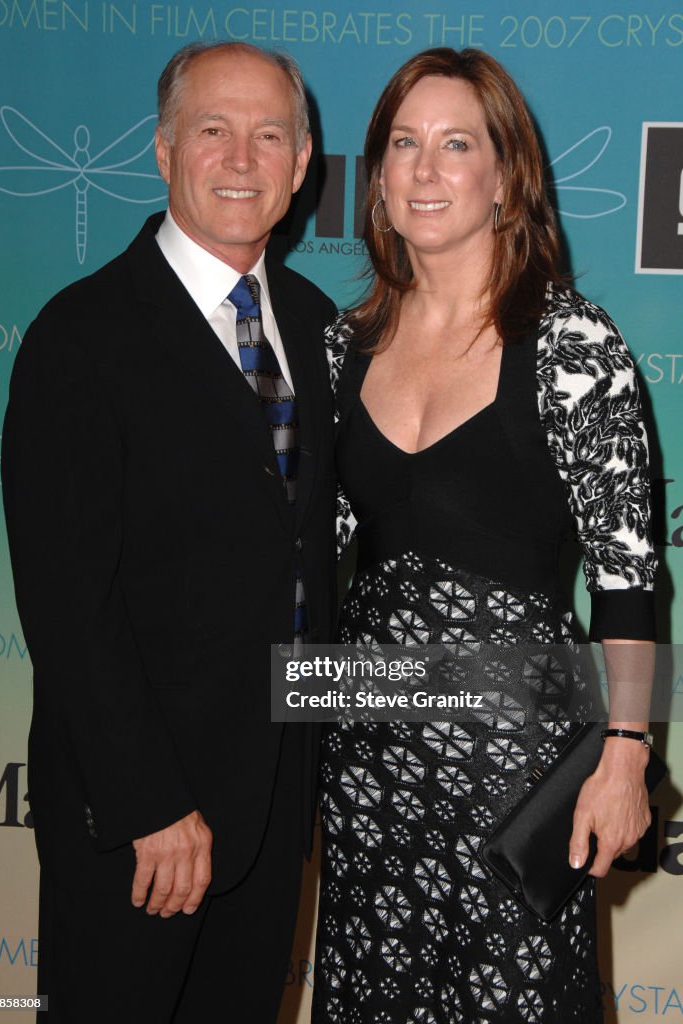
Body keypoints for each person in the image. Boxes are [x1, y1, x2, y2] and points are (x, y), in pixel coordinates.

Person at [312, 48, 656, 1023]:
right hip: (369, 769)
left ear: (506, 174)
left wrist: (624, 755)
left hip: (517, 775)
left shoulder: (570, 344)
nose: (425, 169)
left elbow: (629, 579)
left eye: (456, 144)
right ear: (376, 176)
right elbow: (305, 563)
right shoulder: (341, 349)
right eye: (403, 145)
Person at [1, 41, 337, 1024]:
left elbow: (310, 563)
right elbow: (66, 600)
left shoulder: (319, 328)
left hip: (274, 812)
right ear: (161, 150)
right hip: (142, 826)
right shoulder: (82, 335)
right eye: (213, 130)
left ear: (303, 160)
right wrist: (148, 801)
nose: (241, 158)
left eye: (268, 134)